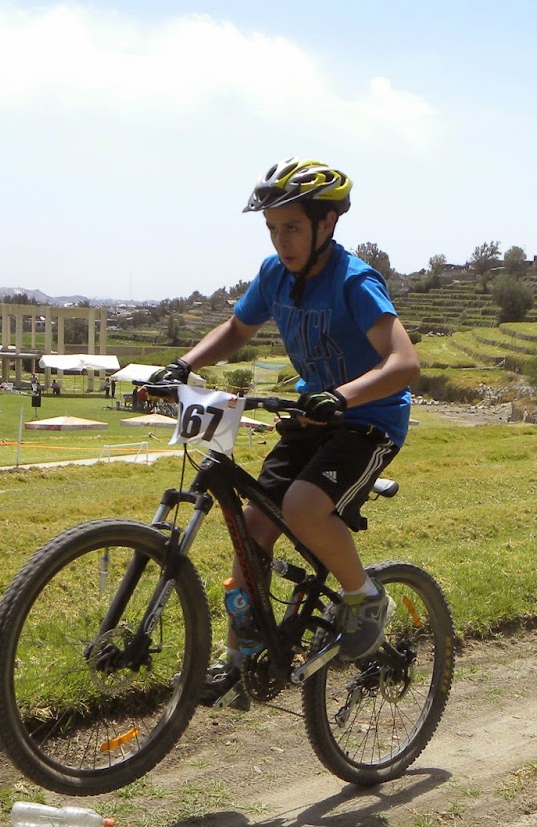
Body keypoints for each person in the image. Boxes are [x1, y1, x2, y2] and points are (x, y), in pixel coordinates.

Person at [152, 157, 420, 705]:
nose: (282, 241)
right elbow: (236, 328)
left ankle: (365, 597)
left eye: (292, 227)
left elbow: (404, 363)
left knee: (300, 508)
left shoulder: (354, 281)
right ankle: (242, 661)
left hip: (368, 420)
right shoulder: (274, 275)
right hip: (310, 417)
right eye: (273, 229)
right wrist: (183, 365)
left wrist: (342, 394)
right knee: (250, 531)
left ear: (328, 224)